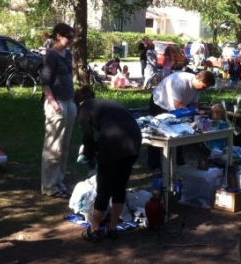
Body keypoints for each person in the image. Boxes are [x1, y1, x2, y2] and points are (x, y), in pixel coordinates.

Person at [75, 86, 141, 242]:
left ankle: (94, 229)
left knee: (104, 188)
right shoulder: (108, 103)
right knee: (119, 186)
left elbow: (87, 137)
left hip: (113, 141)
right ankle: (112, 228)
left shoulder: (84, 108)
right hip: (134, 139)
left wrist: (90, 157)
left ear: (78, 102)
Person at [146, 70, 216, 170]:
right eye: (204, 87)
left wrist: (197, 113)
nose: (204, 89)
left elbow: (194, 104)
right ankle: (154, 165)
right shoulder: (179, 82)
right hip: (159, 103)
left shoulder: (197, 88)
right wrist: (192, 112)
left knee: (180, 132)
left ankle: (177, 161)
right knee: (155, 134)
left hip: (177, 107)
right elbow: (177, 105)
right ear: (199, 80)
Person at [40, 23, 76, 197]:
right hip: (57, 104)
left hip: (69, 102)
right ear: (58, 36)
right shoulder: (52, 55)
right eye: (68, 37)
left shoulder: (68, 54)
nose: (71, 40)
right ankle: (49, 186)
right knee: (54, 147)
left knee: (65, 147)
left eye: (72, 37)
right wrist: (53, 102)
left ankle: (60, 181)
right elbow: (45, 82)